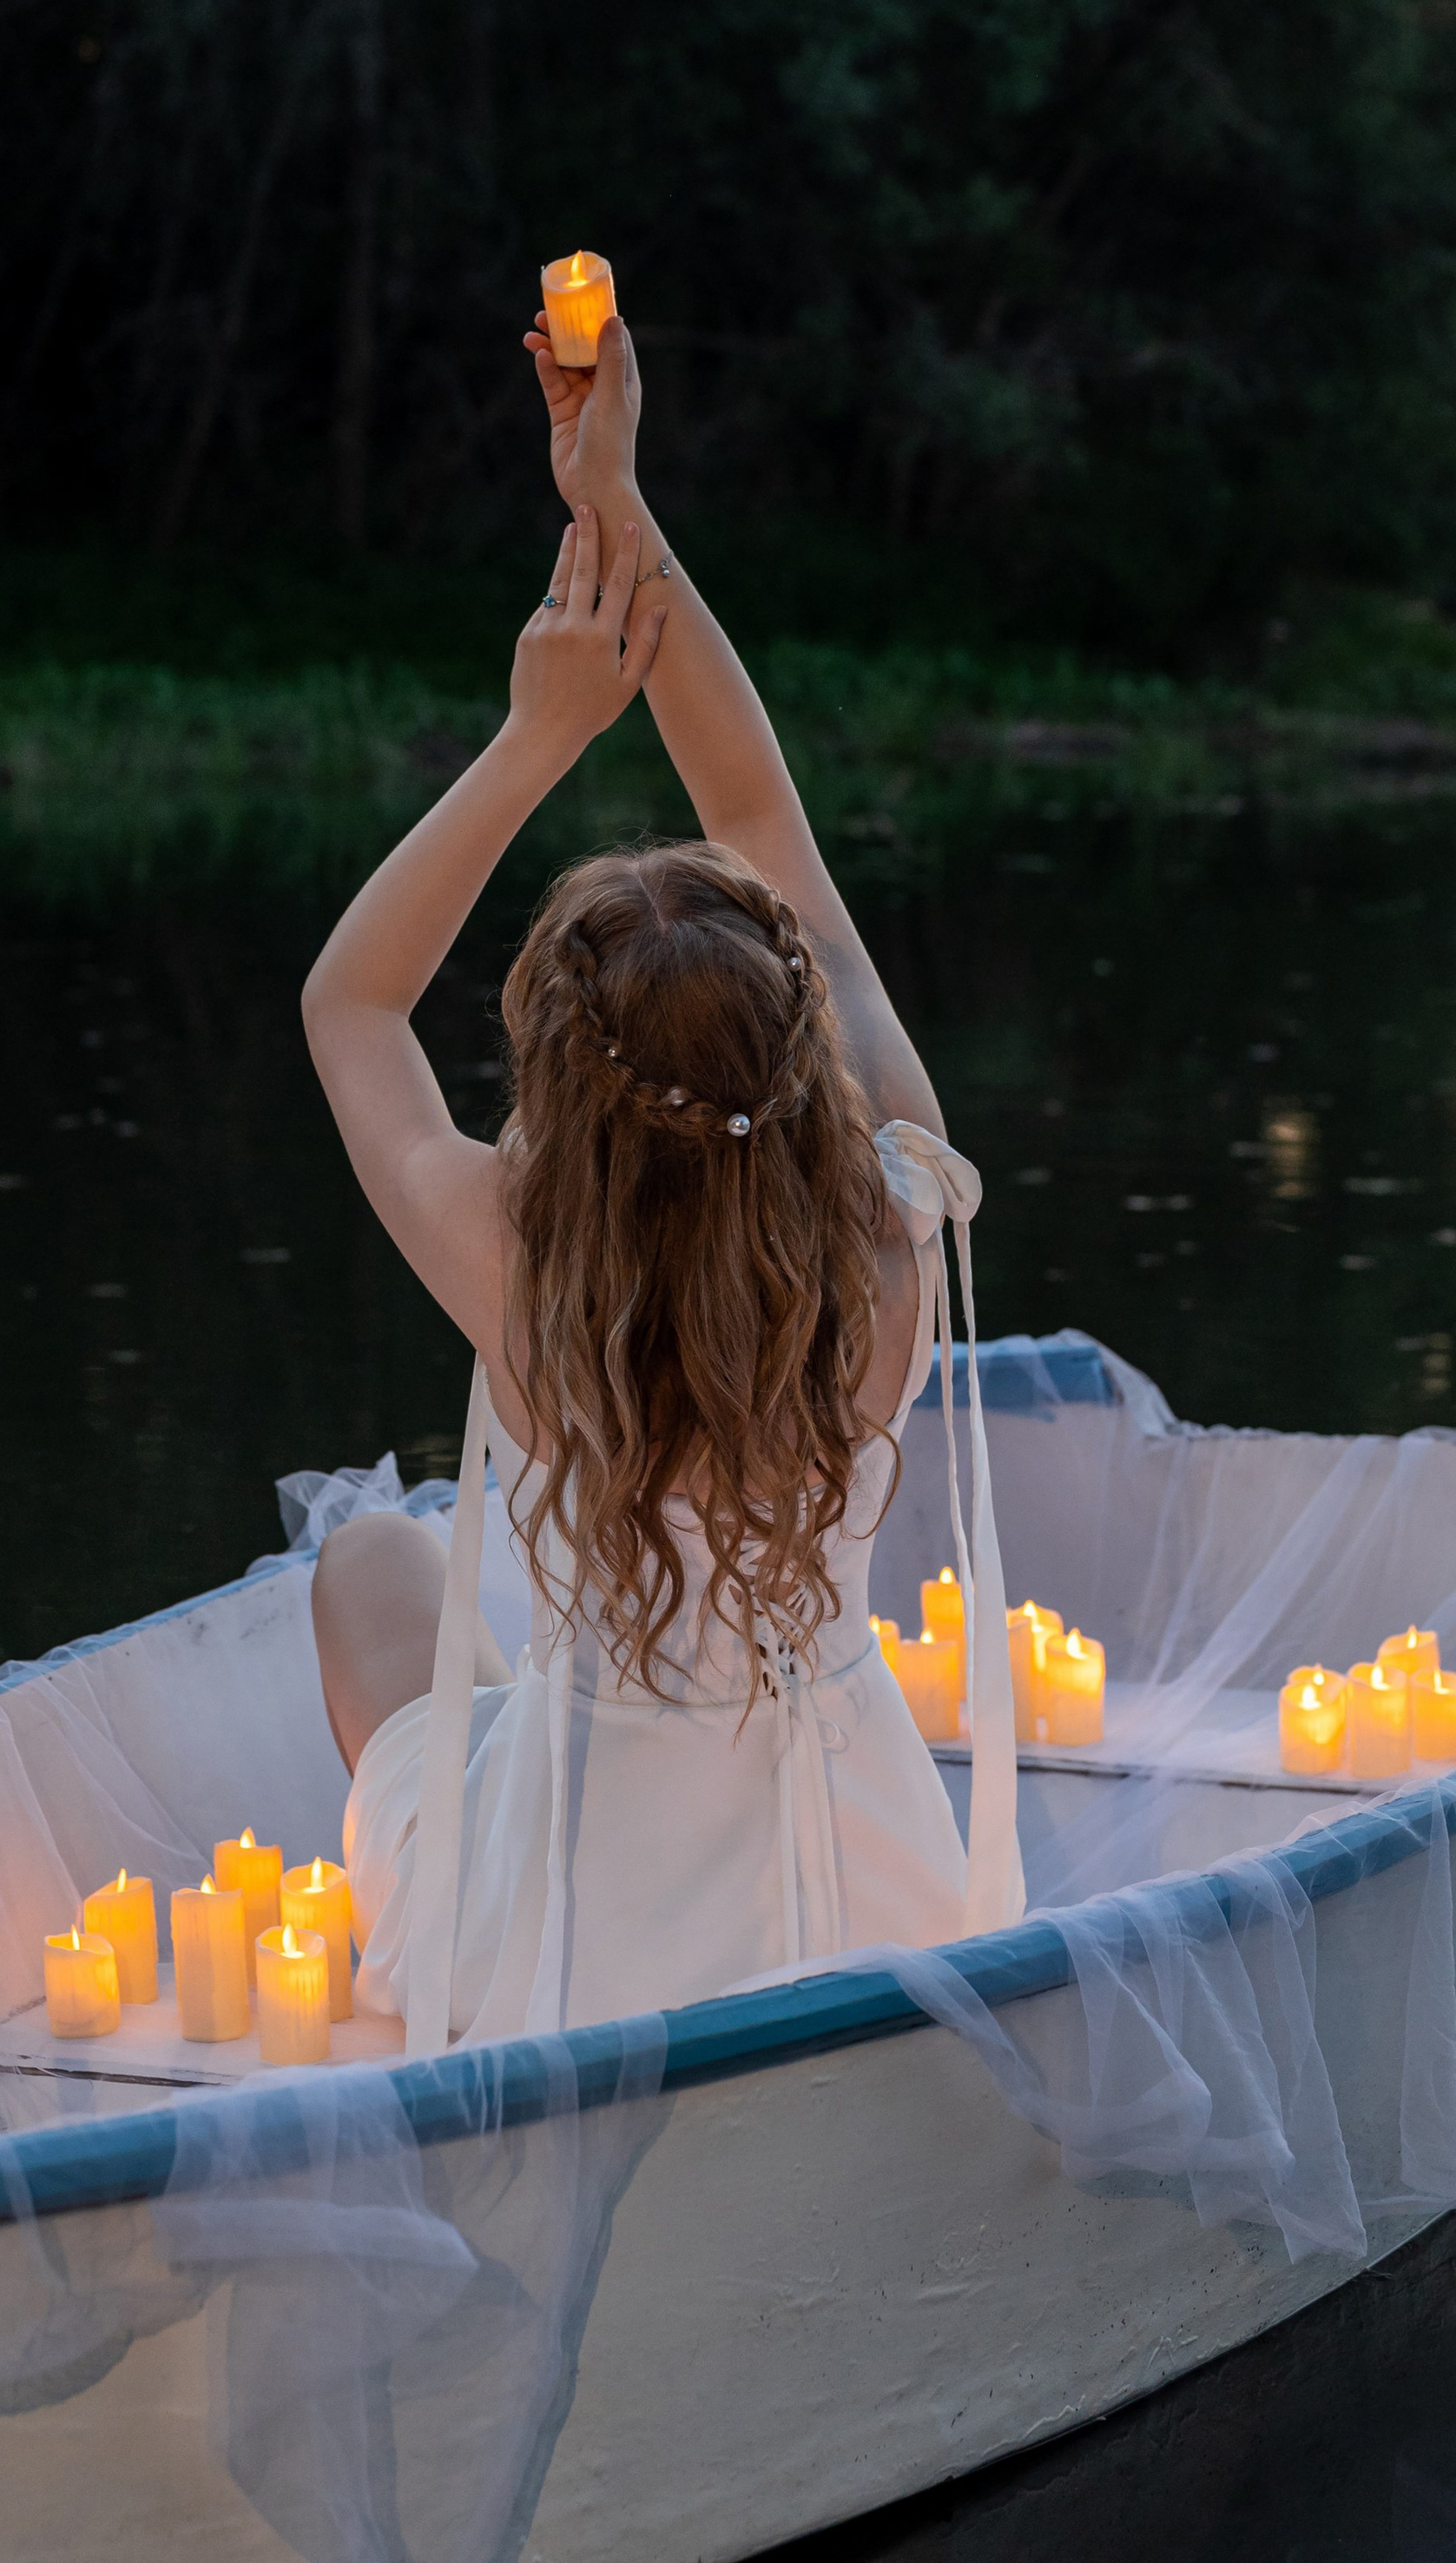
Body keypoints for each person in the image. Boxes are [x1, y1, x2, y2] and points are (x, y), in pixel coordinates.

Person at [300, 312, 1020, 2052]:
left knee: (366, 1571)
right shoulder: (887, 1237)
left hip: (571, 1918)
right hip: (861, 1876)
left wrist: (534, 733)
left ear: (556, 1075)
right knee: (406, 1574)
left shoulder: (516, 1269)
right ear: (806, 1051)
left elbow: (349, 998)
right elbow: (762, 814)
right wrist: (622, 500)